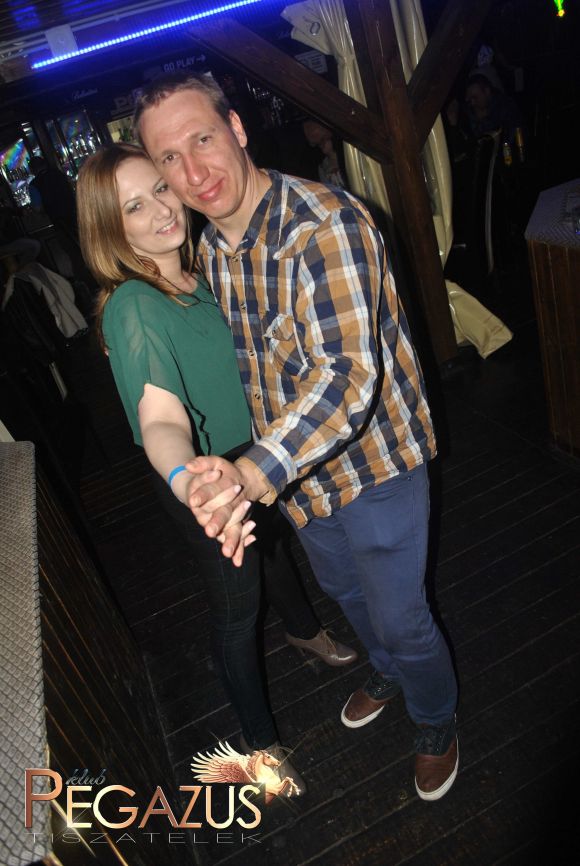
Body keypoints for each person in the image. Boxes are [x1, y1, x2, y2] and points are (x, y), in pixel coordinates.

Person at [134, 73, 459, 802]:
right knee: (345, 593)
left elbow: (349, 379)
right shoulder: (212, 250)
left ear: (237, 129)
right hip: (302, 481)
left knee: (402, 618)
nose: (193, 170)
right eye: (169, 159)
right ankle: (386, 670)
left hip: (376, 464)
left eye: (203, 139)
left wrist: (250, 475)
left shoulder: (325, 224)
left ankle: (436, 718)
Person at [75, 143, 358, 797]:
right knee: (236, 610)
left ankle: (304, 632)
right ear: (110, 230)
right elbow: (160, 420)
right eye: (133, 207)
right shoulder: (134, 304)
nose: (161, 211)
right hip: (201, 475)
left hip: (251, 456)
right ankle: (259, 749)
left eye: (160, 189)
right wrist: (193, 482)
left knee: (275, 551)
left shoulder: (198, 272)